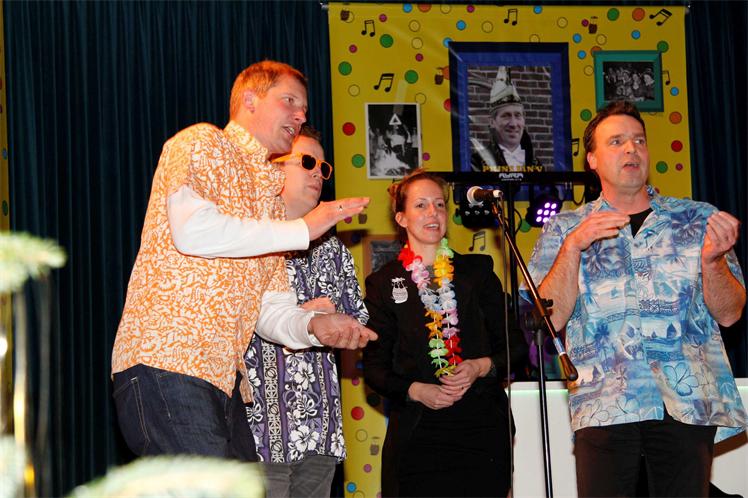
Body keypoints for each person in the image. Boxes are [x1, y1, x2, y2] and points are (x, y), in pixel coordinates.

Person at [111, 60, 376, 462]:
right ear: (250, 100)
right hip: (168, 362)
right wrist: (303, 229)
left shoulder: (270, 203)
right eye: (289, 101)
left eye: (304, 108)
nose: (300, 116)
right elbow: (192, 230)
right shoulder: (201, 142)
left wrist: (314, 327)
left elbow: (271, 308)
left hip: (223, 381)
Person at [526, 100, 747, 497]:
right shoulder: (565, 228)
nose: (631, 149)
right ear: (592, 159)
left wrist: (713, 261)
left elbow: (731, 313)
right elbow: (548, 320)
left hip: (685, 405)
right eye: (616, 142)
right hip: (605, 404)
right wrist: (573, 248)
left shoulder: (698, 219)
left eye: (638, 140)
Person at [362, 169, 526, 497]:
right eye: (421, 205)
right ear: (401, 218)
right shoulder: (384, 283)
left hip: (481, 428)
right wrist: (416, 390)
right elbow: (376, 369)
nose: (433, 213)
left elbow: (517, 349)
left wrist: (480, 366)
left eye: (439, 204)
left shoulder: (478, 273)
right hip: (419, 433)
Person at [245, 126, 368, 497]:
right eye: (308, 163)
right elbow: (232, 313)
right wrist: (305, 317)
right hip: (260, 430)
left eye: (323, 168)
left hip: (320, 430)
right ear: (273, 168)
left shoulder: (334, 248)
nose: (318, 173)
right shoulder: (250, 237)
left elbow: (359, 317)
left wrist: (337, 320)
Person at [471, 67, 542, 171]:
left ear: (523, 120)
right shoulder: (476, 162)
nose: (513, 124)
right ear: (492, 122)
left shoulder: (536, 164)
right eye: (506, 115)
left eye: (517, 115)